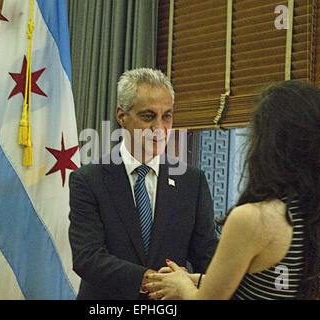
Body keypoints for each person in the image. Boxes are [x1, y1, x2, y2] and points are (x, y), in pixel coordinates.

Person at [146, 80, 320, 300]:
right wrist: (191, 279)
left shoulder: (252, 219)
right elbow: (273, 284)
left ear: (268, 143)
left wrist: (180, 287)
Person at [68, 68, 218, 300]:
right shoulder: (88, 180)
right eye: (148, 116)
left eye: (166, 116)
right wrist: (153, 281)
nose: (159, 128)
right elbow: (88, 257)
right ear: (122, 116)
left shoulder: (192, 182)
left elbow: (206, 255)